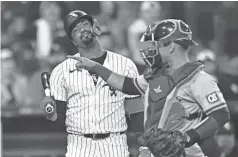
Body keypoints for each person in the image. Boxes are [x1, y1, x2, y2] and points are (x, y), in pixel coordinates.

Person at [68, 19, 230, 157]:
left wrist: (187, 137)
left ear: (171, 46)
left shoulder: (199, 79)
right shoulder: (156, 75)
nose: (151, 49)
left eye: (156, 44)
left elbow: (221, 114)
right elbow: (128, 85)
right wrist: (95, 67)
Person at [40, 10, 140, 157]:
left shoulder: (125, 64)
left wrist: (144, 147)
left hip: (115, 144)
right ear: (72, 40)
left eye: (85, 24)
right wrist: (51, 113)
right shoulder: (61, 71)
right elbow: (59, 120)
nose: (82, 30)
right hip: (79, 146)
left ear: (95, 27)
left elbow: (137, 111)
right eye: (76, 30)